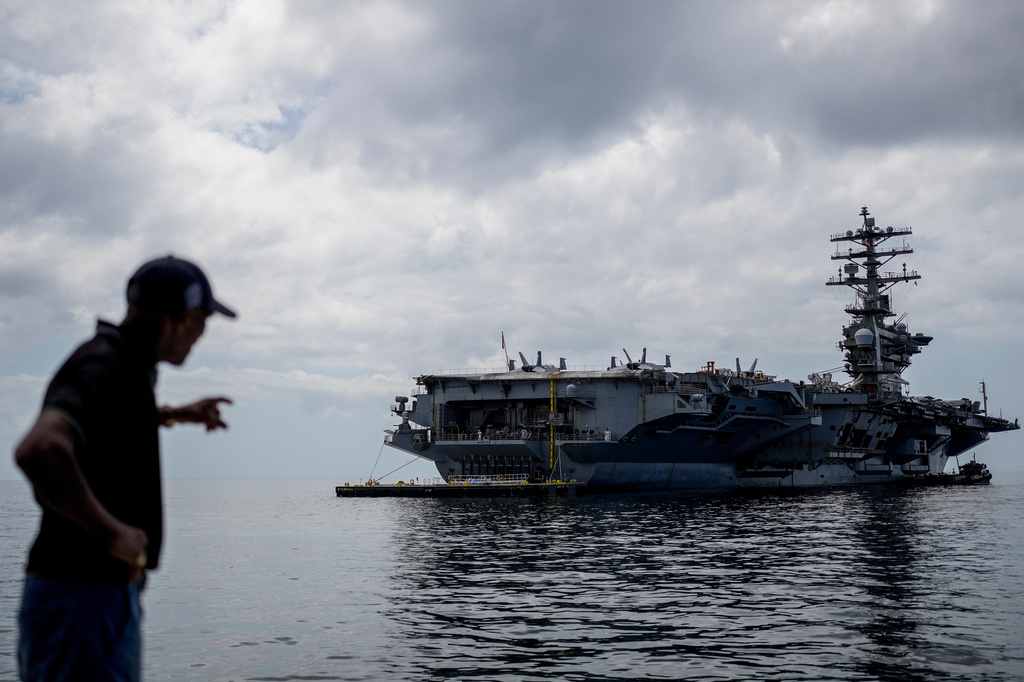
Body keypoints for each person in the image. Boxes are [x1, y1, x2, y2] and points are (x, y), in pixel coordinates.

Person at [14, 255, 236, 682]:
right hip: (80, 600)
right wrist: (113, 533)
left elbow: (111, 420)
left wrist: (173, 414)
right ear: (180, 320)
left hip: (95, 597)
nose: (201, 337)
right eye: (203, 323)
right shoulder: (104, 365)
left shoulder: (125, 368)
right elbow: (39, 450)